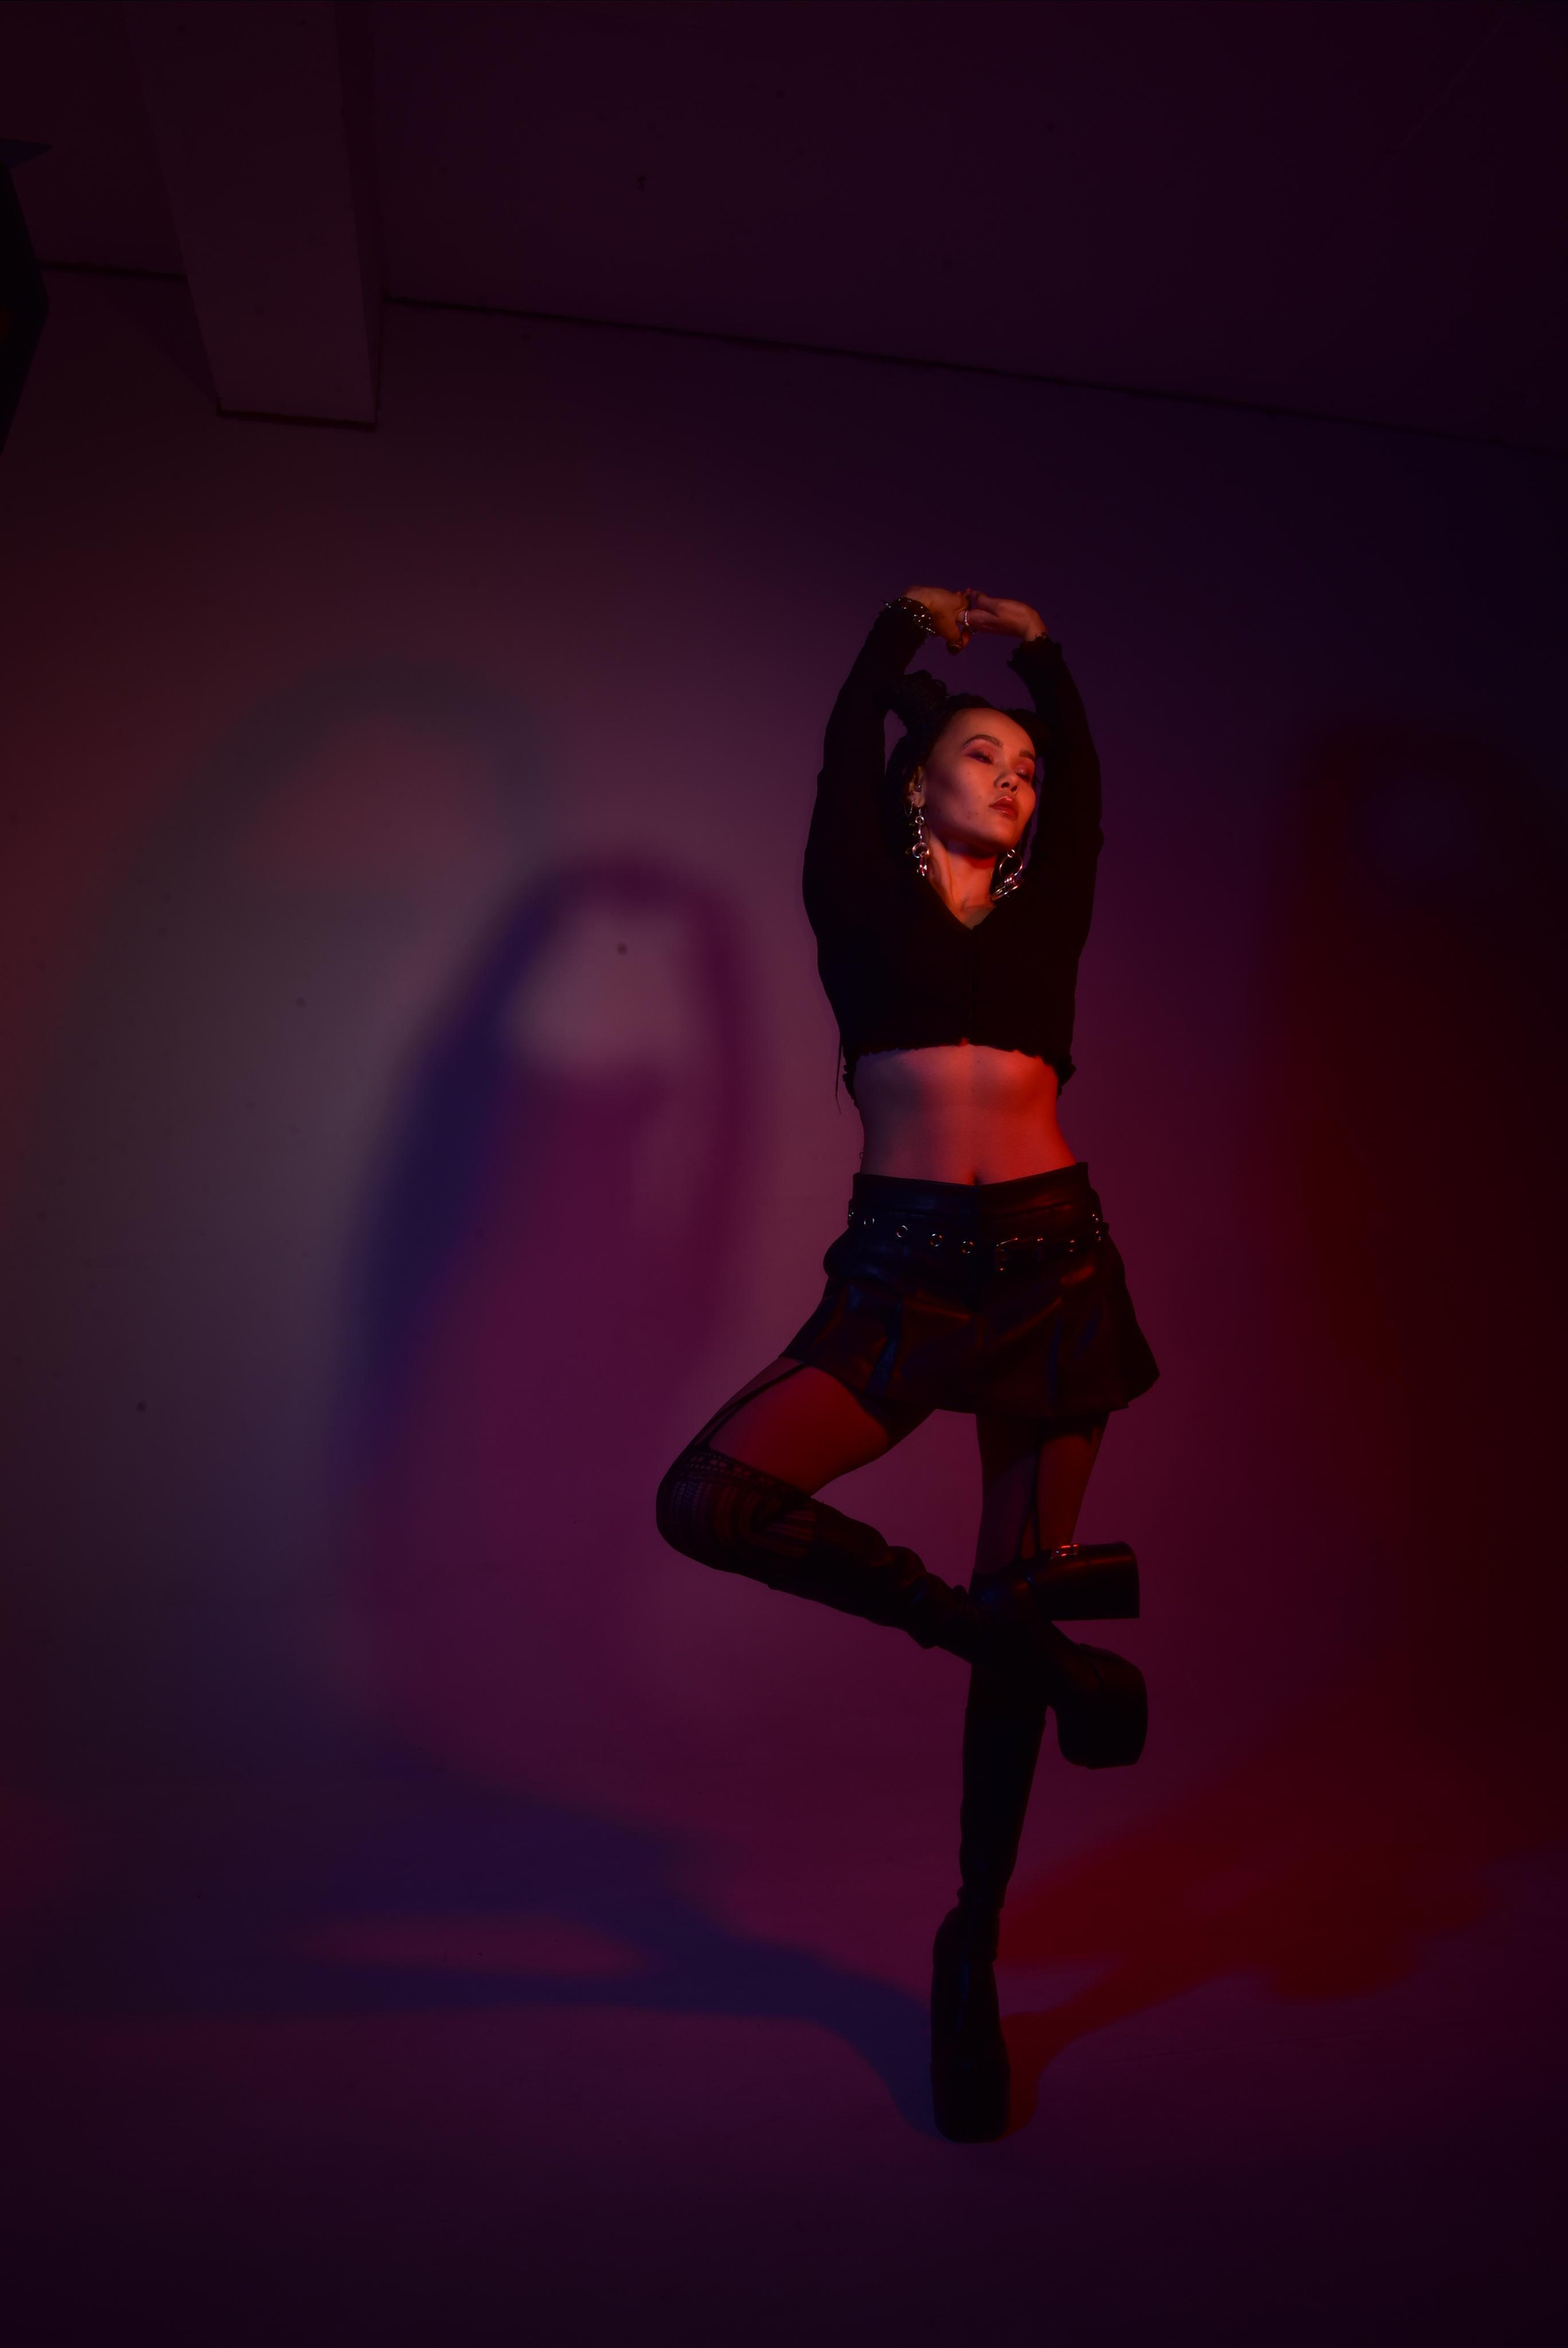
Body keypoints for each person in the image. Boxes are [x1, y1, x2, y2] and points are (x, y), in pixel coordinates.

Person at [656, 585, 1158, 2141]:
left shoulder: (1051, 902)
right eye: (981, 756)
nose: (1014, 778)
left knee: (1024, 1584)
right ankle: (1027, 1644)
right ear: (916, 780)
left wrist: (1041, 656)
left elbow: (1081, 777)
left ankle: (972, 1946)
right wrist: (896, 643)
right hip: (900, 1277)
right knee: (710, 1501)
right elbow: (837, 758)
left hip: (1056, 1270)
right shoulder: (858, 896)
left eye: (1025, 766)